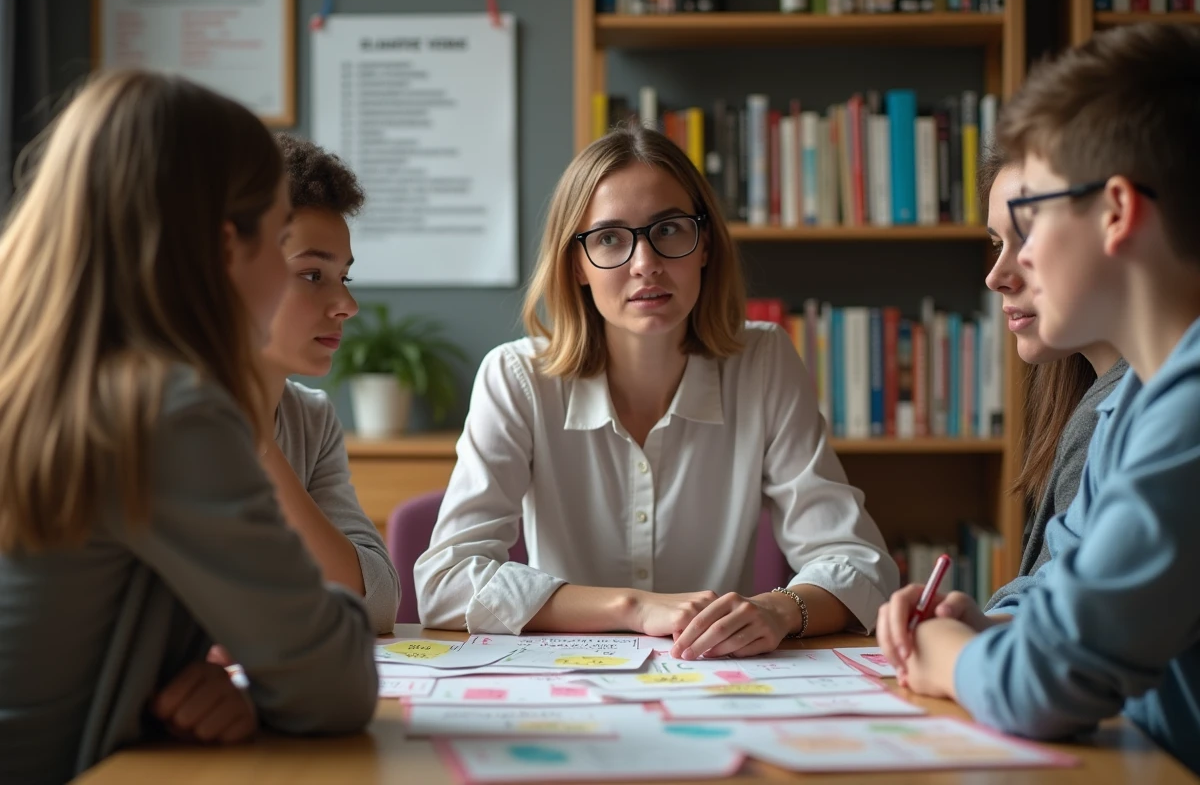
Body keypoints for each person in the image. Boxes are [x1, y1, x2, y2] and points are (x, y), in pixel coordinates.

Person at [0, 71, 377, 785]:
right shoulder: (167, 411)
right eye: (276, 238)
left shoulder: (44, 380)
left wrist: (196, 677)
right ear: (221, 248)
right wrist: (275, 649)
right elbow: (337, 684)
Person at [415, 122, 898, 658]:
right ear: (577, 263)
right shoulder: (516, 378)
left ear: (705, 244)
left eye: (668, 230)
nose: (645, 263)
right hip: (565, 681)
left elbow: (861, 565)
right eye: (608, 238)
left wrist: (778, 610)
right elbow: (446, 582)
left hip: (719, 677)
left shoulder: (763, 361)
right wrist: (635, 607)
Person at [875, 23, 1200, 775]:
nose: (1002, 269)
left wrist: (951, 657)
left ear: (1116, 212)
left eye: (1028, 221)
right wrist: (984, 627)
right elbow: (1063, 595)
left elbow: (1052, 678)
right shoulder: (1142, 404)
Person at [253, 133, 399, 634]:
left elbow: (376, 600)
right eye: (313, 275)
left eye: (345, 278)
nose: (347, 306)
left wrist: (259, 445)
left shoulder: (310, 420)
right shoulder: (156, 411)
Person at [977, 145, 1126, 610]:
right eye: (998, 244)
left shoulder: (1130, 413)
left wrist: (972, 641)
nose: (996, 276)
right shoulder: (1093, 402)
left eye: (1028, 240)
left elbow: (1076, 624)